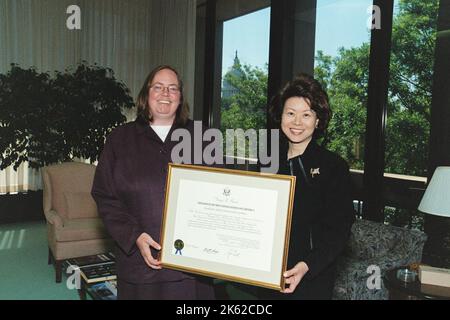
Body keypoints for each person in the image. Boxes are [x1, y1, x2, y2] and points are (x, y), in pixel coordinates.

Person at [91, 65, 215, 300]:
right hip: (139, 265)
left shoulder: (203, 137)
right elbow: (104, 195)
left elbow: (219, 192)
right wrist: (134, 235)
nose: (165, 93)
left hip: (191, 266)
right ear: (146, 95)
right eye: (158, 87)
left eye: (173, 88)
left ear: (180, 97)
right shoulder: (119, 139)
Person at [258, 73, 355, 300]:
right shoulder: (268, 160)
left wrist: (308, 265)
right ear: (280, 117)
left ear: (318, 120)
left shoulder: (333, 167)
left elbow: (340, 231)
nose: (297, 122)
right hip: (267, 272)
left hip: (311, 277)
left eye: (306, 115)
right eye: (290, 113)